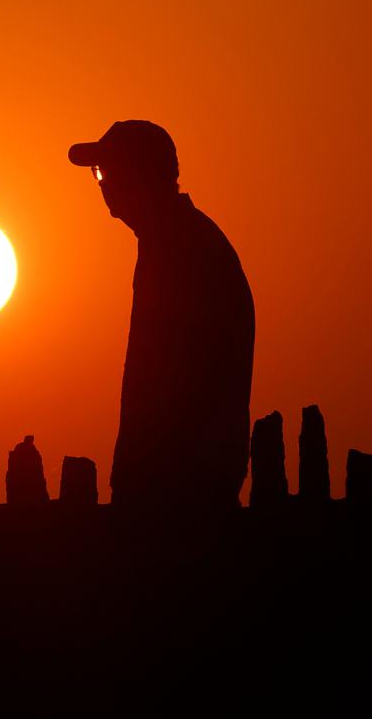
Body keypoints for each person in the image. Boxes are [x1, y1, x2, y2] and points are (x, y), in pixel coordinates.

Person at [69, 120, 255, 515]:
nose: (102, 184)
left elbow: (169, 380)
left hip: (181, 488)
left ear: (142, 174)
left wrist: (144, 478)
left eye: (109, 171)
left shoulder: (183, 248)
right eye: (98, 173)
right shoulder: (171, 240)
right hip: (178, 480)